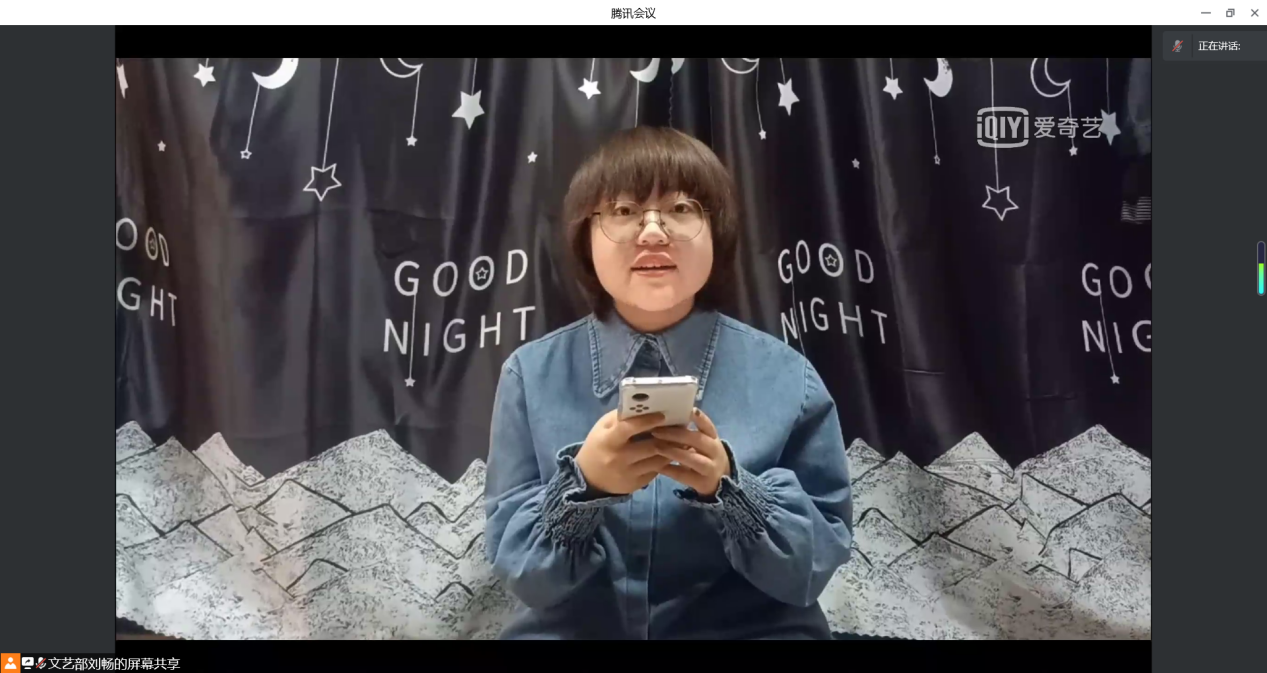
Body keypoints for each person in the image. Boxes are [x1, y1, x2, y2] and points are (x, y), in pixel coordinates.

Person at [483, 126, 854, 640]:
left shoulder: (790, 378)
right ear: (585, 238)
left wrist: (732, 488)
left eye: (681, 208)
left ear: (716, 233)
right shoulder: (530, 375)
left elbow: (811, 571)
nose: (653, 233)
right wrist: (584, 487)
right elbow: (524, 576)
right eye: (623, 210)